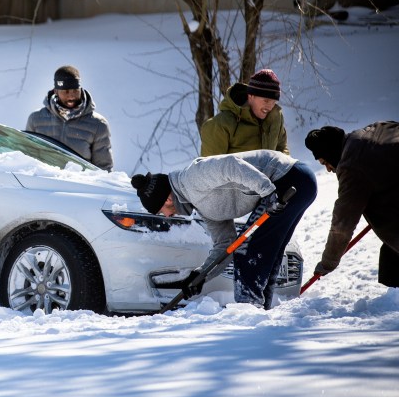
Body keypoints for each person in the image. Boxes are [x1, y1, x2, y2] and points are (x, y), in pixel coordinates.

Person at [131, 149, 317, 308]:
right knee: (266, 255)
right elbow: (226, 244)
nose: (165, 216)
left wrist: (268, 192)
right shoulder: (201, 206)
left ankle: (249, 318)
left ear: (167, 199)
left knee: (247, 253)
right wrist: (201, 275)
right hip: (292, 184)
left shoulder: (191, 178)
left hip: (288, 179)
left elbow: (230, 165)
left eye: (160, 210)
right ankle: (261, 316)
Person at [304, 122, 399, 288]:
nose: (328, 169)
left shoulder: (351, 165)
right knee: (390, 254)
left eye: (324, 162)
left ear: (331, 153)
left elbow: (343, 224)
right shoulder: (374, 129)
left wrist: (327, 263)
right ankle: (392, 296)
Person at [25, 65, 113, 170]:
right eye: (66, 91)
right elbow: (27, 157)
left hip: (78, 184)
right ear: (56, 91)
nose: (71, 96)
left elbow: (104, 169)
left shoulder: (98, 124)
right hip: (45, 182)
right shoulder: (36, 119)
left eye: (75, 90)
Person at [199, 68, 289, 157]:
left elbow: (282, 149)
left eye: (273, 102)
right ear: (251, 96)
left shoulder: (274, 118)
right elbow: (211, 168)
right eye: (266, 101)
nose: (270, 107)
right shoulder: (220, 125)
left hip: (271, 171)